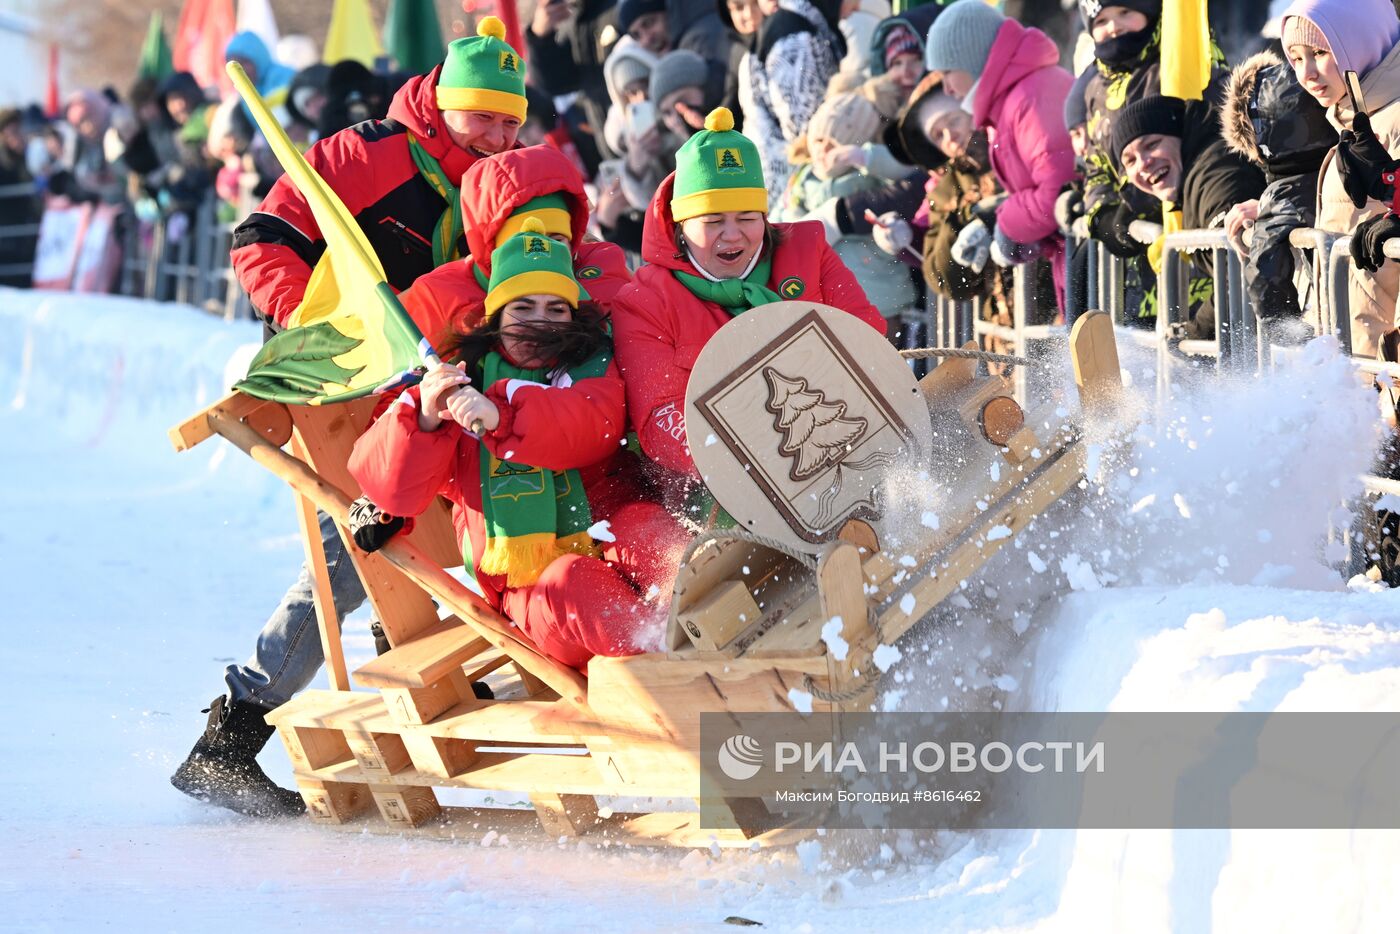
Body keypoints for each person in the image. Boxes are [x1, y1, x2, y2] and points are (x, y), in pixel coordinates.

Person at [173, 18, 531, 819]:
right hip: (335, 377)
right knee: (357, 546)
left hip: (430, 381)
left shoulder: (500, 175)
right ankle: (232, 735)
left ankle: (411, 677)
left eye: (512, 122)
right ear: (445, 101)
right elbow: (262, 236)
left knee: (431, 526)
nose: (499, 136)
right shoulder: (364, 154)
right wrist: (313, 323)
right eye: (484, 118)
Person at [349, 219, 686, 671]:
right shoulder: (458, 382)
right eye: (523, 307)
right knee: (572, 582)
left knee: (648, 530)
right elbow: (395, 491)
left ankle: (717, 623)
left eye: (555, 308)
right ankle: (672, 663)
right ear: (496, 316)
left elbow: (591, 426)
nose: (539, 323)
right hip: (531, 585)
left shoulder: (592, 364)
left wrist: (501, 416)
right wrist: (426, 417)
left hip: (612, 521)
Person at [610, 107, 883, 509]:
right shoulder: (645, 302)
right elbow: (660, 419)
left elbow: (866, 342)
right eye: (712, 221)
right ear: (681, 226)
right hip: (722, 490)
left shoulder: (809, 252)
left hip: (844, 439)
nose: (733, 234)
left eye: (747, 217)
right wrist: (750, 458)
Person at [398, 144, 633, 351]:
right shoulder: (438, 296)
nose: (541, 255)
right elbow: (396, 378)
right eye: (524, 242)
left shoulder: (603, 266)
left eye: (556, 240)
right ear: (492, 245)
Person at [924, 0, 1076, 308]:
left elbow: (1060, 190)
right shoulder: (1011, 103)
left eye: (948, 72)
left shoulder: (1029, 98)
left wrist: (1006, 224)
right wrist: (995, 219)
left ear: (973, 59)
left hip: (1090, 265)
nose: (947, 89)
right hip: (1072, 263)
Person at [1279, 0, 1400, 356]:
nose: (1306, 73)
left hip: (1386, 369)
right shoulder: (1358, 123)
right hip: (1360, 362)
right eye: (1296, 58)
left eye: (1319, 52)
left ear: (1364, 40)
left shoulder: (1392, 121)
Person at [1110, 96, 1266, 339]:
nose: (1143, 164)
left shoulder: (1217, 173)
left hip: (1287, 339)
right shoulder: (1192, 174)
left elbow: (1240, 272)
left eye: (1151, 144)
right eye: (1130, 160)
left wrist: (1194, 336)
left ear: (1178, 134)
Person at [1220, 51, 1337, 337]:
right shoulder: (1354, 162)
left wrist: (1290, 335)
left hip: (1340, 327)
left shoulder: (1281, 200)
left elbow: (1264, 273)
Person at [777, 91, 919, 321]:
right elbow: (785, 219)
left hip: (879, 292)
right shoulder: (804, 178)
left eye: (834, 144)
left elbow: (905, 173)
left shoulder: (868, 174)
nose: (823, 150)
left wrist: (865, 158)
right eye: (819, 141)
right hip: (828, 297)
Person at [737, 0, 846, 206]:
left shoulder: (794, 25)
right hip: (787, 183)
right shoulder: (792, 35)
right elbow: (801, 127)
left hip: (780, 178)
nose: (858, 6)